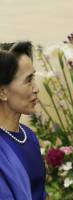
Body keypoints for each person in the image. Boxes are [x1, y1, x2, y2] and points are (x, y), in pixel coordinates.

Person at [0, 41, 46, 199]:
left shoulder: (29, 136)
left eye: (33, 77)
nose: (36, 88)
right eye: (28, 80)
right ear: (3, 92)